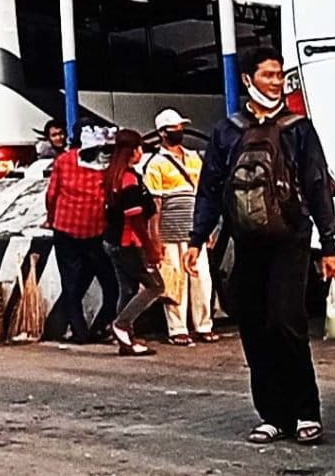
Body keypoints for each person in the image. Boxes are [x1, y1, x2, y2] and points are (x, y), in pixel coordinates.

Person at [185, 46, 335, 445]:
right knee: (253, 324)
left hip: (290, 237)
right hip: (246, 240)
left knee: (286, 321)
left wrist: (328, 244)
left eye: (279, 75)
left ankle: (306, 411)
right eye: (268, 75)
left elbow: (317, 184)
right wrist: (196, 238)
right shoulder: (227, 130)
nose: (276, 82)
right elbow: (210, 189)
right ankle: (271, 414)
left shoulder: (298, 129)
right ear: (247, 80)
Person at [143, 109, 219, 346]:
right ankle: (177, 329)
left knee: (202, 280)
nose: (179, 132)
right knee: (175, 282)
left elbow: (205, 194)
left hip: (195, 231)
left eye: (180, 128)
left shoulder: (195, 158)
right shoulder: (155, 164)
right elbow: (155, 205)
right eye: (174, 128)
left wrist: (209, 229)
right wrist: (154, 237)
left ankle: (204, 325)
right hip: (169, 232)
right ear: (162, 133)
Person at [45, 124, 120, 344]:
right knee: (110, 283)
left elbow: (51, 195)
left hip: (65, 228)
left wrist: (51, 218)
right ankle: (101, 326)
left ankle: (80, 332)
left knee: (70, 282)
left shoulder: (63, 161)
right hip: (96, 231)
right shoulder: (107, 164)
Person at [103, 129, 164, 357]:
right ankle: (121, 324)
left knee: (127, 289)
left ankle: (126, 340)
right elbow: (136, 220)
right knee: (155, 286)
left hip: (112, 241)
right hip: (128, 241)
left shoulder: (113, 175)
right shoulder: (129, 180)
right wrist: (150, 249)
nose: (141, 153)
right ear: (133, 151)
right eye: (139, 148)